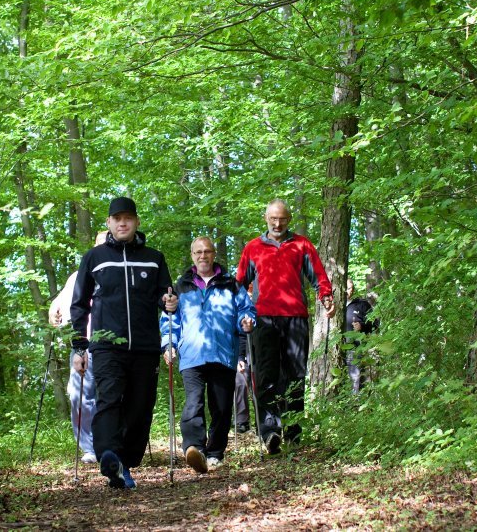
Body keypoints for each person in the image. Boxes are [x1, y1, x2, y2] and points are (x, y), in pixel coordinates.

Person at [70, 197, 177, 489]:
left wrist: (169, 301)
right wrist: (79, 346)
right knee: (109, 399)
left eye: (128, 218)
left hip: (145, 345)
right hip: (106, 345)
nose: (122, 223)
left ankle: (124, 464)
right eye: (117, 218)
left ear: (136, 222)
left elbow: (164, 295)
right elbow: (79, 303)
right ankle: (108, 455)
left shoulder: (154, 257)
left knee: (141, 406)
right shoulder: (95, 257)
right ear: (108, 223)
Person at [236, 199, 333, 454]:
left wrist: (326, 296)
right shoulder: (252, 248)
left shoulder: (302, 245)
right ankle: (269, 433)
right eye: (273, 219)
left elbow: (318, 276)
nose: (277, 224)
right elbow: (238, 285)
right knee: (265, 375)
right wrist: (239, 314)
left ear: (289, 219)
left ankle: (292, 431)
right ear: (265, 218)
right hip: (263, 319)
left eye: (282, 219)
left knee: (295, 375)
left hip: (295, 318)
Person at [161, 236, 255, 473]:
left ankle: (215, 452)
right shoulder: (180, 286)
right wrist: (169, 344)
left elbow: (246, 309)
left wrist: (247, 320)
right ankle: (194, 448)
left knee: (221, 407)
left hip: (223, 353)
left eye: (207, 251)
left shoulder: (231, 284)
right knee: (193, 403)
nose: (203, 256)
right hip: (191, 354)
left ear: (214, 254)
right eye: (198, 252)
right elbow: (170, 320)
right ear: (192, 255)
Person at [47, 231, 108, 464]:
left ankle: (115, 442)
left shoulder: (123, 272)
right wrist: (52, 310)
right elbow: (60, 305)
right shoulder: (78, 275)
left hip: (115, 345)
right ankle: (89, 446)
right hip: (84, 344)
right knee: (80, 395)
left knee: (115, 395)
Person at [343, 278, 378, 394]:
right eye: (345, 288)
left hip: (355, 349)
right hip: (337, 349)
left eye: (349, 288)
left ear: (353, 289)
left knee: (356, 380)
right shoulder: (334, 304)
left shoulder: (361, 304)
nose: (347, 291)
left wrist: (362, 326)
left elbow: (375, 323)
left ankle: (356, 406)